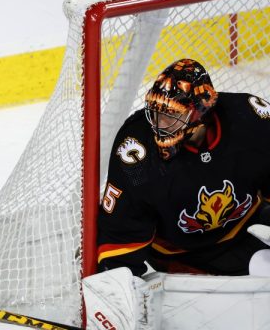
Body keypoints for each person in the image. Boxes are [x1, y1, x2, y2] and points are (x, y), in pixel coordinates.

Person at [97, 58, 270, 277]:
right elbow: (121, 234)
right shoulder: (137, 150)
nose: (159, 125)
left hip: (249, 223)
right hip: (185, 251)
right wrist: (118, 279)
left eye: (172, 116)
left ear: (201, 112)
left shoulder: (249, 117)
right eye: (156, 113)